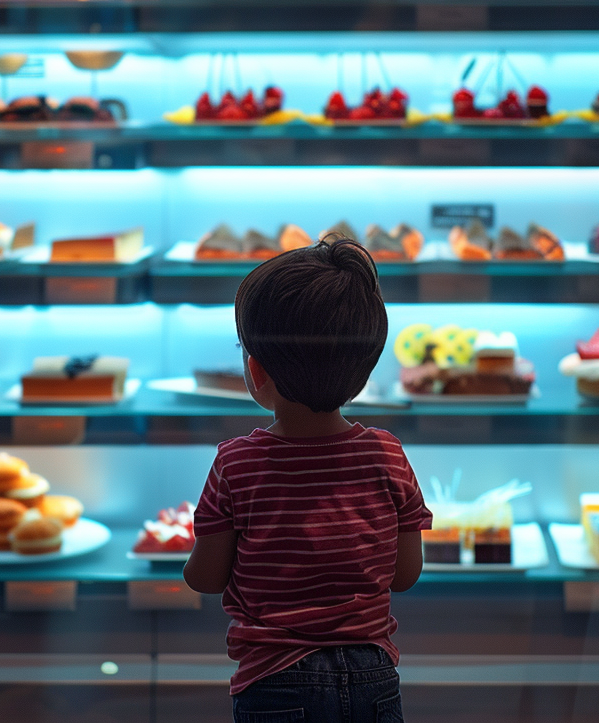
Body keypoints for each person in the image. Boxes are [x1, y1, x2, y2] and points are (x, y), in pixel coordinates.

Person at [184, 237, 430, 723]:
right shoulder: (386, 454)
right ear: (363, 371)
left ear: (255, 370)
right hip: (374, 675)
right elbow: (403, 574)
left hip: (274, 679)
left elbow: (206, 577)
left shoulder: (237, 464)